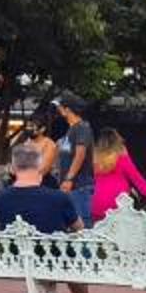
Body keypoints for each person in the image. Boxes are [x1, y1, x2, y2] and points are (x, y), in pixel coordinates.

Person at [0, 137, 107, 293]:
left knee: (65, 253)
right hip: (54, 259)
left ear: (13, 168)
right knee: (69, 254)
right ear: (40, 167)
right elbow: (79, 229)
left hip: (17, 258)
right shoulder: (58, 197)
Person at [47, 95, 98, 226]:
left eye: (60, 107)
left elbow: (80, 154)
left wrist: (69, 179)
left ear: (67, 109)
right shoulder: (71, 130)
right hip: (70, 188)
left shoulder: (82, 128)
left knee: (83, 227)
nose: (58, 110)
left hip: (80, 187)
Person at [89, 129, 146, 221]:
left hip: (96, 204)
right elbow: (136, 177)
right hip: (118, 204)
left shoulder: (94, 159)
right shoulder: (121, 157)